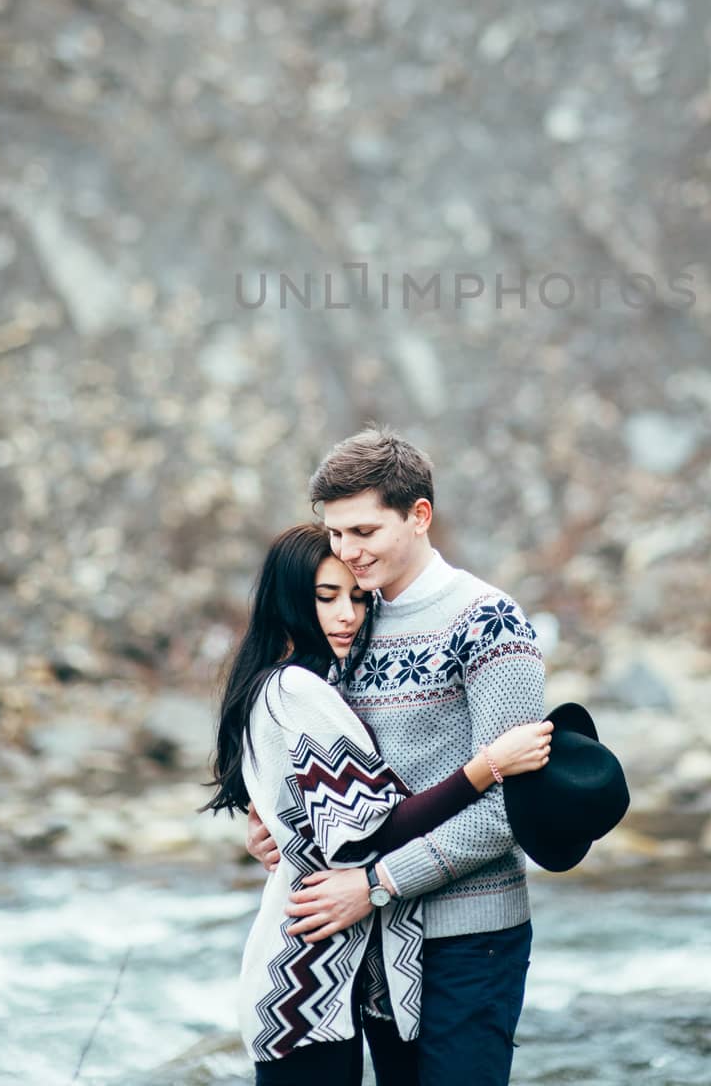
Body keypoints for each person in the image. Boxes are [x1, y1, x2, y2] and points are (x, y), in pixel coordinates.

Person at [247, 427, 547, 1086]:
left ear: (418, 516)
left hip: (470, 935)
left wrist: (377, 883)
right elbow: (318, 755)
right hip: (377, 938)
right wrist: (271, 820)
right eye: (335, 535)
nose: (347, 553)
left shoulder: (489, 623)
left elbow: (505, 814)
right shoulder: (352, 619)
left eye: (364, 532)